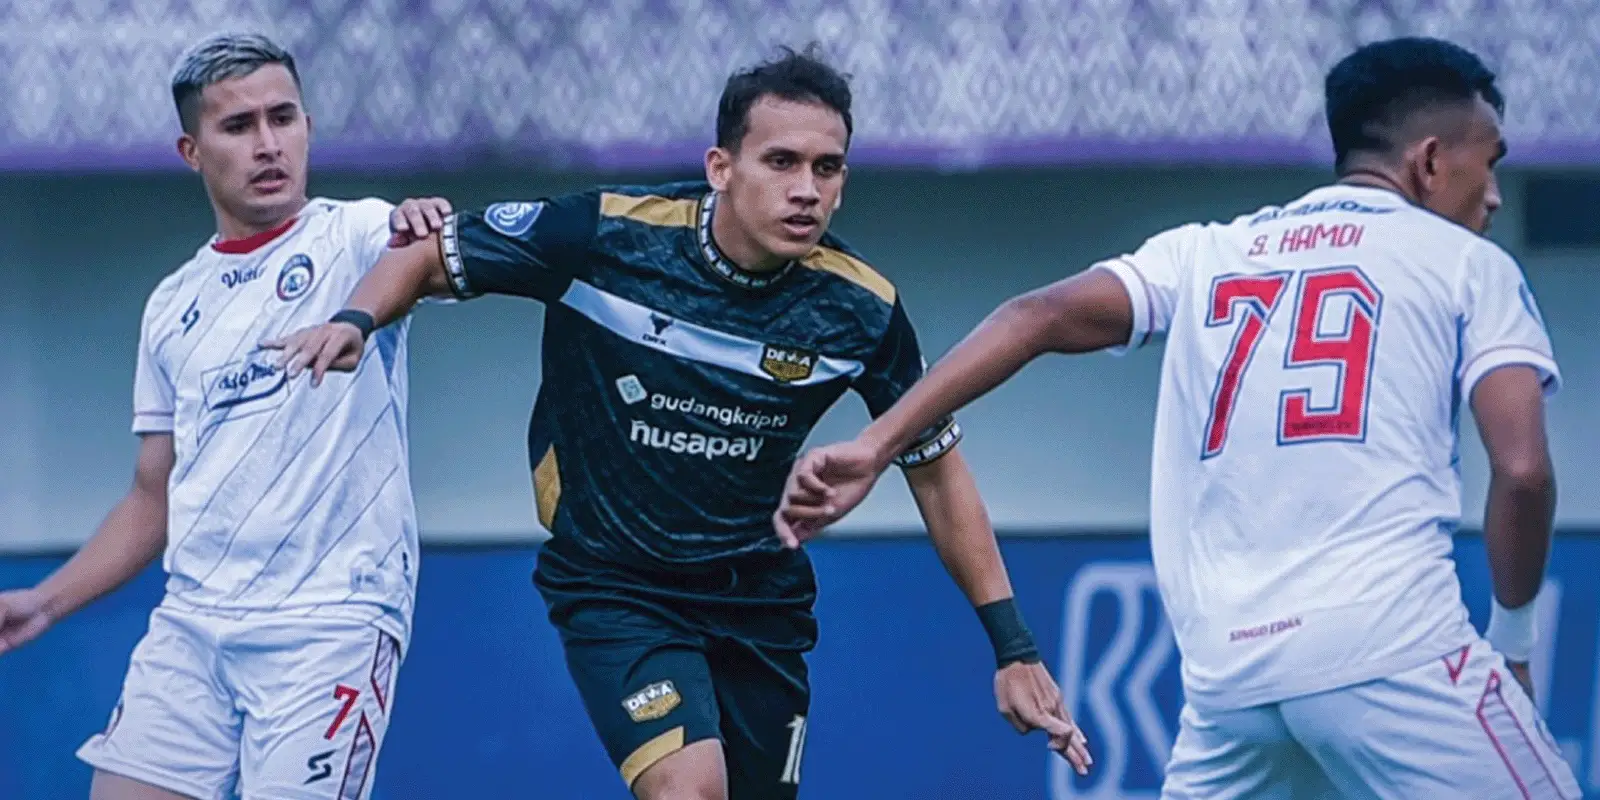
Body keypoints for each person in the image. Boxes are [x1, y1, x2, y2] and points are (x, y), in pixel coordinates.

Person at [266, 45, 1091, 800]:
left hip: (758, 604)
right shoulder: (604, 235)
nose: (807, 189)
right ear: (720, 167)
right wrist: (355, 319)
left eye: (828, 167)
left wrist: (1014, 647)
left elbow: (936, 471)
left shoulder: (861, 311)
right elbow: (426, 251)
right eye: (781, 162)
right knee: (688, 790)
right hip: (615, 583)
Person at [776, 36, 1581, 799]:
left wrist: (876, 442)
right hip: (1395, 654)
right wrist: (1513, 641)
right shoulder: (1470, 265)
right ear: (1431, 160)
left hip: (1232, 682)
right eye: (1491, 161)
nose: (1494, 194)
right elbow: (1520, 469)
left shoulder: (1209, 252)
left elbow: (1033, 316)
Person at [0, 33, 450, 800]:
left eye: (283, 118)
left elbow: (433, 258)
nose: (268, 144)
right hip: (194, 625)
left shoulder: (361, 233)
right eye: (238, 126)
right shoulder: (171, 305)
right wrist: (43, 602)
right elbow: (152, 495)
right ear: (192, 150)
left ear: (308, 126)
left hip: (329, 622)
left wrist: (420, 236)